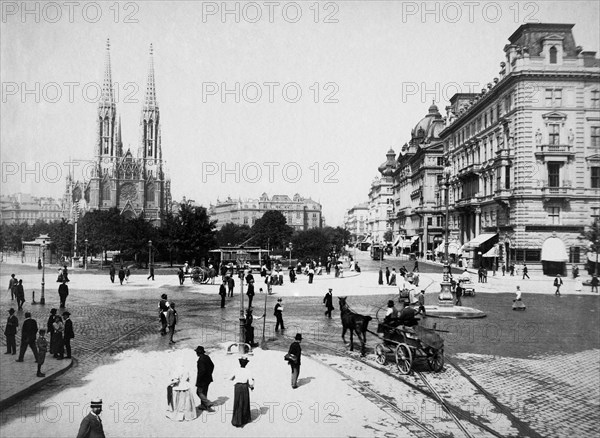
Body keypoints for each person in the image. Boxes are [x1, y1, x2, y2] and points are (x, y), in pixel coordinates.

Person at [230, 356, 254, 427]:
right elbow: (251, 382)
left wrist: (235, 378)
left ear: (240, 363)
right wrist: (252, 386)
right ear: (246, 364)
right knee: (244, 402)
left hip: (237, 387)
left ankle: (236, 420)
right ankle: (244, 419)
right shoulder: (248, 371)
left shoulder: (236, 369)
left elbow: (230, 378)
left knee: (237, 402)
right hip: (244, 387)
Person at [195, 346, 215, 411]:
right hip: (208, 378)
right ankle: (204, 406)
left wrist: (198, 381)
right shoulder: (207, 357)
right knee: (204, 392)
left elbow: (202, 371)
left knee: (198, 392)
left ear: (198, 353)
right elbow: (212, 365)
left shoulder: (200, 360)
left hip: (202, 379)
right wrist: (209, 373)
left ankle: (207, 403)